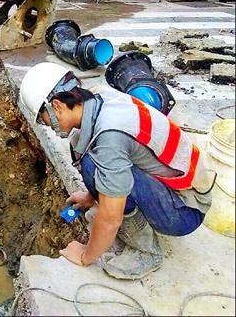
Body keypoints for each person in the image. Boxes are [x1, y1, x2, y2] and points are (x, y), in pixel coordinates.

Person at [19, 62, 214, 280]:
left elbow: (110, 219)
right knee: (88, 156)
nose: (45, 125)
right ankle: (114, 204)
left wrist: (85, 255)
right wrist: (91, 197)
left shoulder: (109, 138)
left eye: (42, 118)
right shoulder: (99, 97)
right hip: (177, 189)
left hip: (185, 212)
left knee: (96, 166)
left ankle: (146, 251)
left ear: (56, 106)